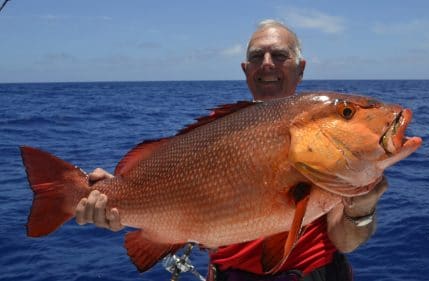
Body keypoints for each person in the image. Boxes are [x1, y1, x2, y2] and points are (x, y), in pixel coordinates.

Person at [75, 20, 389, 281]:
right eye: (257, 57)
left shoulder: (325, 135)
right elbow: (166, 190)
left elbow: (346, 241)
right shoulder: (214, 129)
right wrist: (110, 193)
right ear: (245, 69)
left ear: (300, 68)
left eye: (279, 55)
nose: (267, 63)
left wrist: (361, 207)